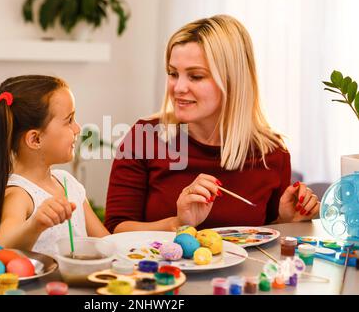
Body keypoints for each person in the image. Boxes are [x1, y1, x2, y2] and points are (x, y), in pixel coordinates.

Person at [105, 15, 320, 234]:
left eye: (195, 76)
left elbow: (264, 241)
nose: (178, 87)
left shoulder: (272, 153)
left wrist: (285, 222)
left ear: (233, 80)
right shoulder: (145, 137)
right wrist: (179, 224)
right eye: (173, 73)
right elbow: (116, 229)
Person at [0, 75, 109, 256]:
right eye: (69, 120)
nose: (77, 128)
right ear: (35, 139)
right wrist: (35, 224)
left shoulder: (68, 183)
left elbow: (105, 242)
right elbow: (4, 247)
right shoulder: (19, 194)